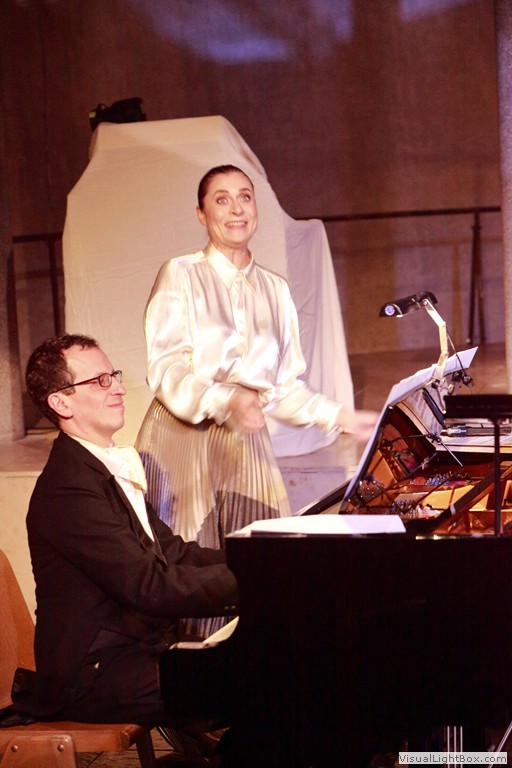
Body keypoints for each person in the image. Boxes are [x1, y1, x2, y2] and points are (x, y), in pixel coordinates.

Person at [136, 164, 377, 565]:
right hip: (182, 438)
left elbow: (282, 389)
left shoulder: (275, 289)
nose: (237, 209)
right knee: (189, 566)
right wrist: (226, 399)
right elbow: (167, 369)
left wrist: (341, 417)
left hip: (245, 441)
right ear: (201, 214)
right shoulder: (180, 274)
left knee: (263, 562)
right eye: (222, 199)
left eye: (245, 197)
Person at [18, 333, 238, 732]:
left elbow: (173, 552)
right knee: (257, 680)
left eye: (114, 376)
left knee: (271, 667)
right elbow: (150, 586)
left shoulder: (99, 468)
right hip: (94, 673)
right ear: (61, 402)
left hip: (133, 651)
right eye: (100, 381)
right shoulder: (68, 487)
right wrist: (259, 579)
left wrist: (260, 558)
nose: (118, 388)